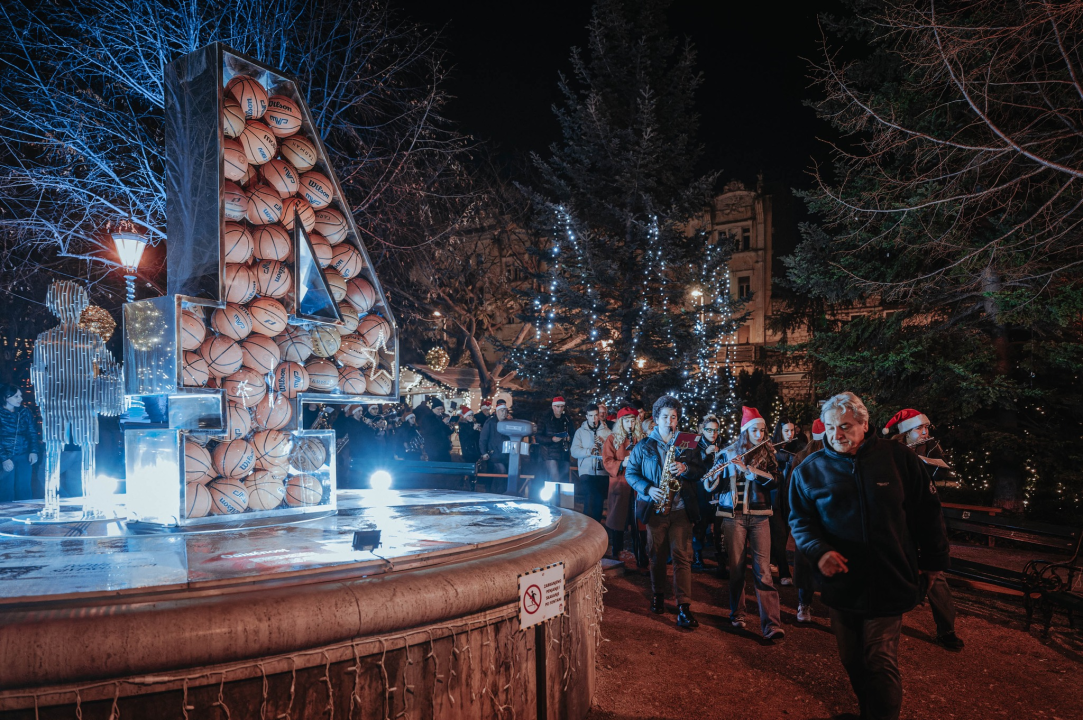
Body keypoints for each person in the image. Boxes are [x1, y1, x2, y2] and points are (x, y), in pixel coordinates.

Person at [790, 393, 950, 720]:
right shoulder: (810, 470)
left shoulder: (898, 459)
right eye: (832, 428)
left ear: (864, 423)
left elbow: (927, 513)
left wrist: (934, 562)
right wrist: (819, 552)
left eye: (846, 427)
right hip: (842, 585)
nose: (837, 436)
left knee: (880, 662)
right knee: (851, 659)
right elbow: (800, 520)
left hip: (889, 578)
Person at [883, 408, 964, 651]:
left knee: (935, 575)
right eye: (920, 428)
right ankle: (883, 624)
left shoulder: (928, 450)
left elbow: (935, 488)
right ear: (906, 433)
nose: (925, 432)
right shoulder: (891, 452)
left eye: (926, 428)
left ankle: (947, 630)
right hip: (899, 522)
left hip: (922, 521)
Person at [625, 395, 705, 629]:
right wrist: (648, 489)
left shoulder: (687, 443)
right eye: (665, 416)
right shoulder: (643, 446)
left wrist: (686, 467)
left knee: (682, 557)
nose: (670, 421)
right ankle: (658, 594)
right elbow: (631, 474)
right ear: (656, 418)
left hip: (681, 509)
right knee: (656, 555)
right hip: (656, 508)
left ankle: (684, 606)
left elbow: (700, 470)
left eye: (674, 417)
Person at [708, 406, 785, 640]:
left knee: (763, 571)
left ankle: (771, 624)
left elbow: (776, 481)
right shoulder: (728, 452)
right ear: (745, 431)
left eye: (762, 431)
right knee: (737, 569)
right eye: (754, 430)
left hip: (760, 515)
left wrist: (750, 471)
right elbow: (714, 486)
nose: (759, 435)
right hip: (734, 517)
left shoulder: (768, 452)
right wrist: (715, 474)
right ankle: (738, 614)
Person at [788, 418, 825, 622]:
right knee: (813, 561)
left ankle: (804, 605)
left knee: (808, 562)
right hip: (818, 517)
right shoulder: (805, 458)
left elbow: (791, 490)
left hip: (808, 517)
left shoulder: (801, 456)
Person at [602, 406, 645, 561]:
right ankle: (616, 554)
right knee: (618, 521)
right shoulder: (612, 439)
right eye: (626, 421)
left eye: (633, 421)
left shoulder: (640, 438)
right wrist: (622, 463)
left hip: (637, 487)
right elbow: (607, 461)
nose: (630, 424)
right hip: (620, 484)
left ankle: (640, 555)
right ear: (621, 422)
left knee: (637, 522)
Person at [770, 418, 808, 587]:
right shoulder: (771, 447)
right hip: (775, 498)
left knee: (785, 532)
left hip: (790, 497)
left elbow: (799, 459)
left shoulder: (798, 447)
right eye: (786, 431)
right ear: (780, 431)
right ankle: (784, 572)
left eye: (792, 430)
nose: (790, 434)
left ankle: (774, 559)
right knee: (779, 533)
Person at [691, 415, 724, 573]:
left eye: (716, 430)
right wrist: (705, 454)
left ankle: (721, 561)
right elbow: (691, 464)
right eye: (709, 430)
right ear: (702, 430)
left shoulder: (721, 443)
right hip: (700, 490)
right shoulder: (695, 444)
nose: (713, 433)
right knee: (700, 525)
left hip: (716, 491)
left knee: (719, 527)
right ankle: (697, 557)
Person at [570, 403, 612, 522]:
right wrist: (589, 450)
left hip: (602, 471)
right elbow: (574, 451)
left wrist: (603, 444)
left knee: (599, 500)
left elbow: (611, 452)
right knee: (590, 496)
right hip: (586, 471)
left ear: (599, 416)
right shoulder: (580, 432)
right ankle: (586, 525)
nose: (594, 419)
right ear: (586, 416)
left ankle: (596, 527)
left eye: (596, 415)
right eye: (591, 416)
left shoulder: (607, 432)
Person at [0, 384, 39, 502]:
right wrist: (4, 458)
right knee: (6, 489)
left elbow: (32, 432)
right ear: (6, 397)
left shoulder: (24, 411)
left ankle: (26, 514)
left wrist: (33, 451)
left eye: (20, 396)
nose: (20, 399)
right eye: (16, 396)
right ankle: (5, 517)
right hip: (5, 455)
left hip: (23, 454)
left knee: (24, 488)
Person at [538, 396, 573, 485]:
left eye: (562, 407)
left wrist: (569, 438)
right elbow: (538, 436)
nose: (560, 409)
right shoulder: (546, 418)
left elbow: (573, 433)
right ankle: (554, 496)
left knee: (565, 471)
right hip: (549, 453)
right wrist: (552, 439)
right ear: (553, 407)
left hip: (563, 453)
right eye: (558, 406)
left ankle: (551, 487)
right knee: (555, 476)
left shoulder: (567, 419)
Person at [480, 399, 511, 477]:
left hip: (505, 455)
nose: (504, 413)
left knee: (503, 475)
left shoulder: (508, 422)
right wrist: (484, 452)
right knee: (501, 472)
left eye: (505, 411)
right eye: (502, 411)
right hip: (494, 455)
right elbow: (483, 438)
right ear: (497, 412)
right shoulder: (490, 422)